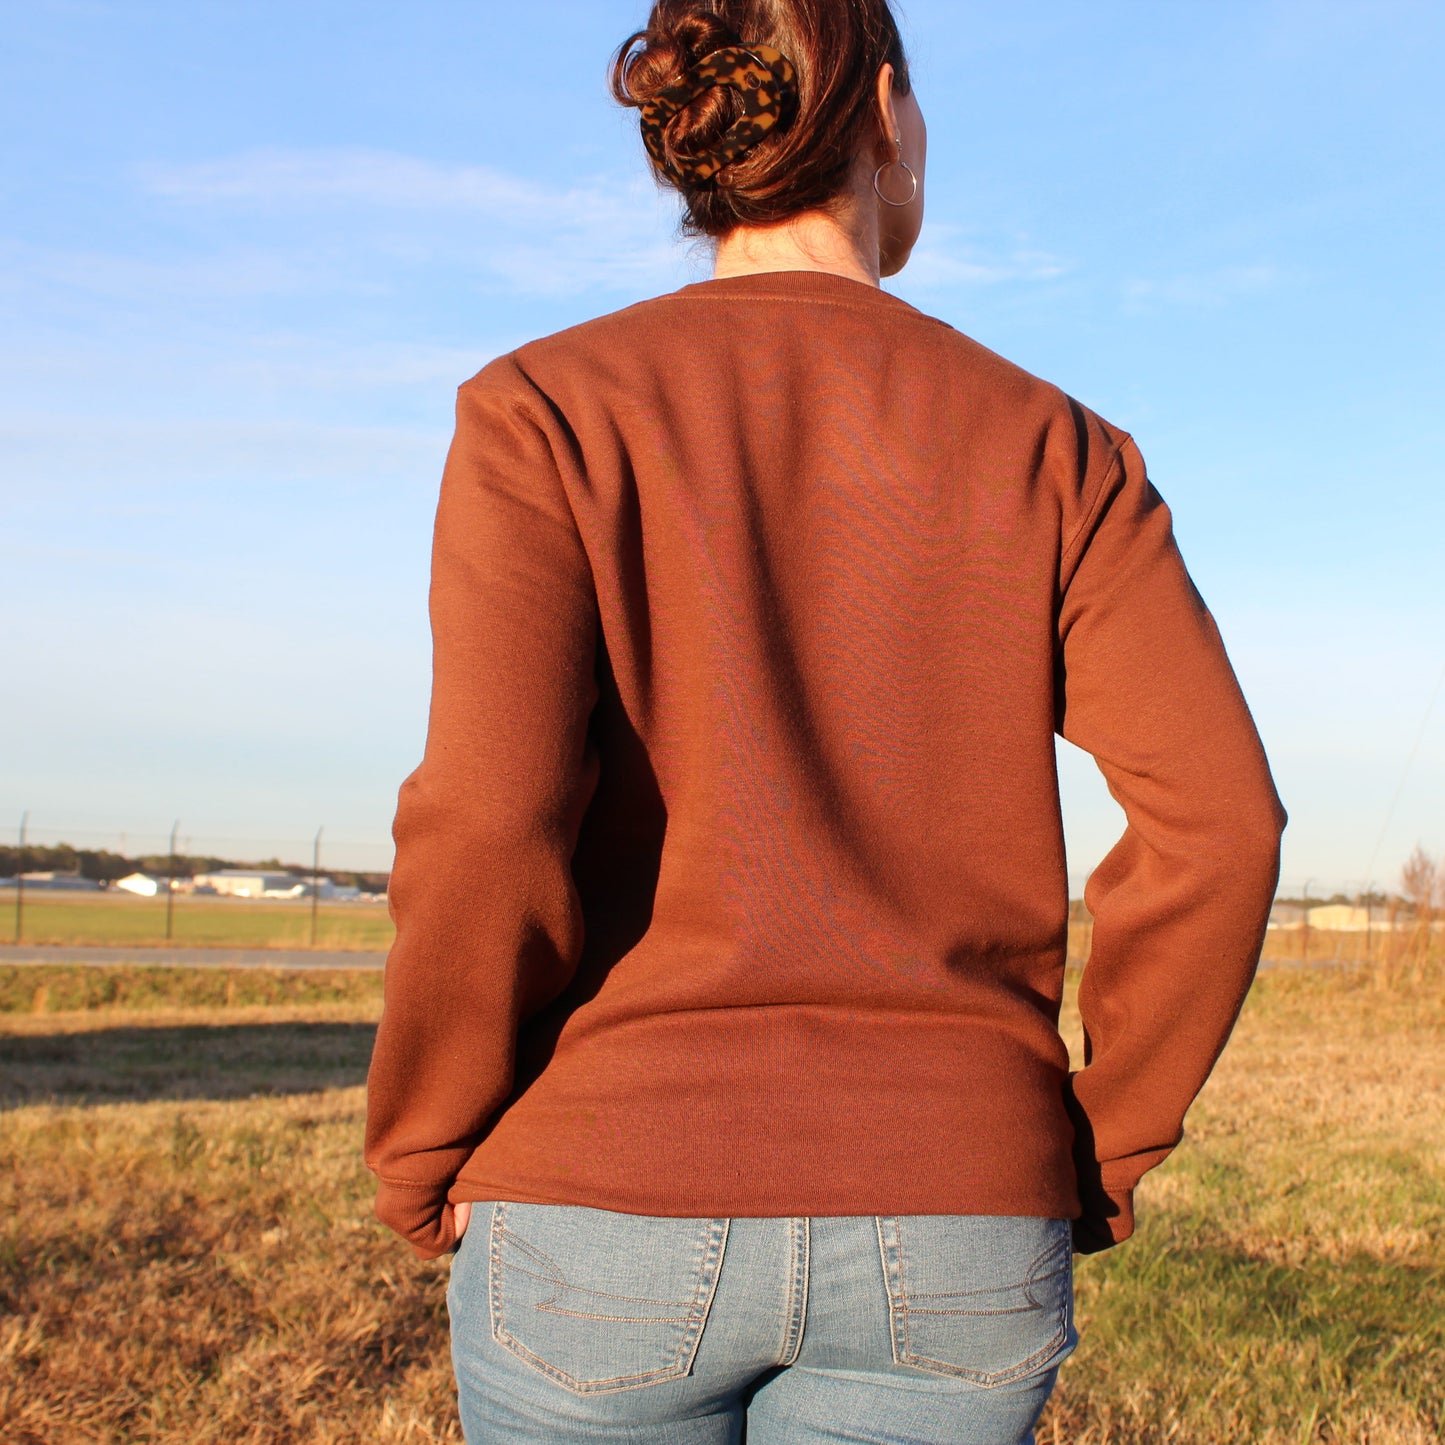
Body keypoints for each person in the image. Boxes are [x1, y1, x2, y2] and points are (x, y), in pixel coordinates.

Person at [364, 2, 1287, 1440]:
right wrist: (1094, 1142)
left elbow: (491, 817)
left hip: (603, 1197)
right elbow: (1221, 826)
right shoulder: (1060, 449)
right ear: (887, 116)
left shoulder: (544, 409)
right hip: (958, 1212)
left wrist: (425, 1136)